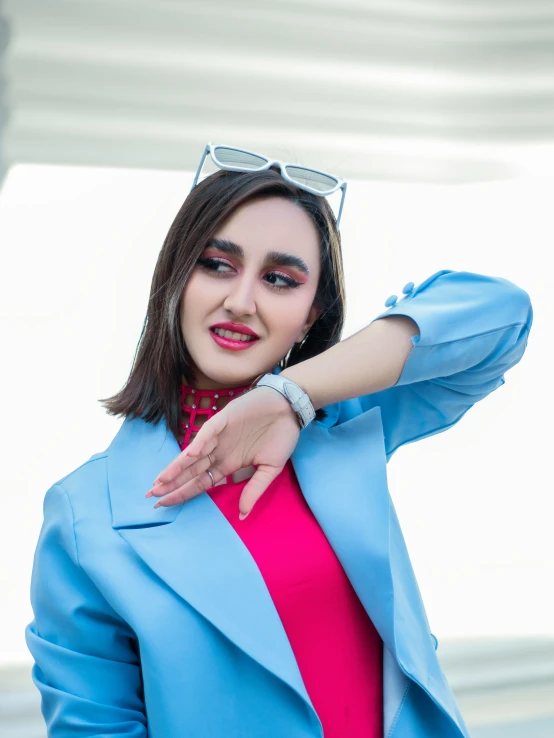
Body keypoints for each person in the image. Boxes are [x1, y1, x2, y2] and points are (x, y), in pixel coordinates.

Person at [25, 144, 533, 738]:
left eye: (280, 279)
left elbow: (501, 318)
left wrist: (291, 395)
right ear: (175, 276)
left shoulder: (341, 424)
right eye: (217, 264)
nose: (241, 302)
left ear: (312, 312)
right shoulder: (86, 516)